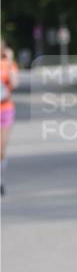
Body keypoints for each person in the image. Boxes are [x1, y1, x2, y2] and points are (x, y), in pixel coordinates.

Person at [0, 39, 20, 196]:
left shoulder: (8, 65)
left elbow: (15, 83)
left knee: (1, 148)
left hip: (5, 109)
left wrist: (11, 61)